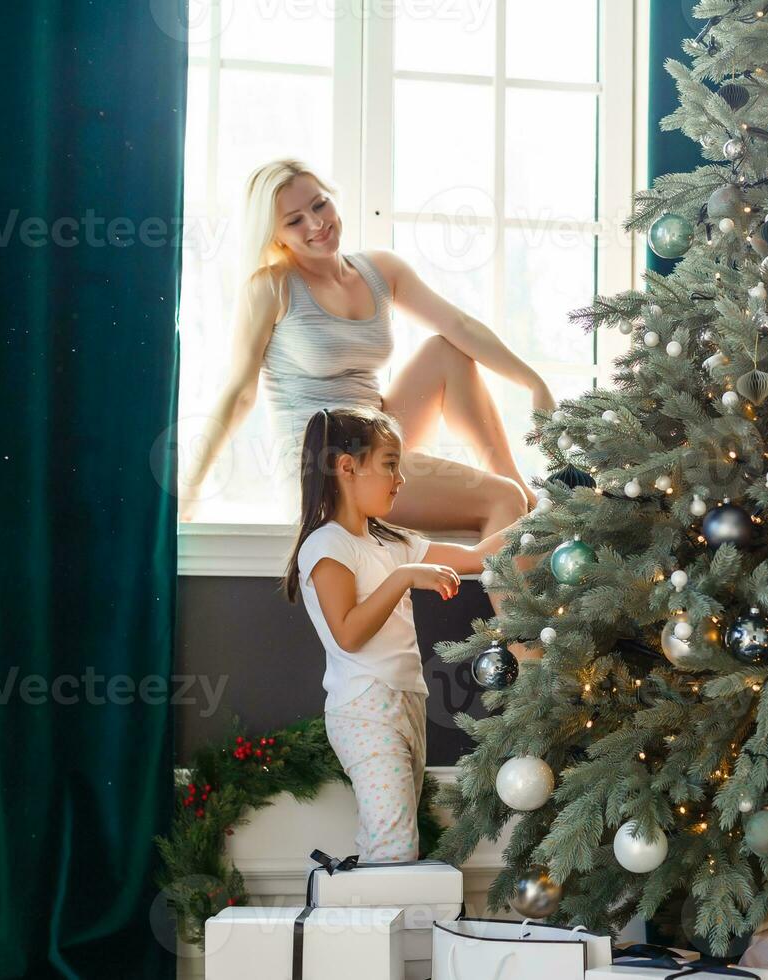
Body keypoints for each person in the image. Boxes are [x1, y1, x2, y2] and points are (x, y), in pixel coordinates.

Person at [183, 159, 551, 658]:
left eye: (320, 204)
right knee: (499, 500)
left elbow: (461, 325)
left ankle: (515, 486)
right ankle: (531, 664)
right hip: (328, 463)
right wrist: (192, 488)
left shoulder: (381, 271)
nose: (316, 223)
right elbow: (240, 393)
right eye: (295, 220)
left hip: (377, 436)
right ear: (275, 235)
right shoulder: (271, 288)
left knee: (446, 349)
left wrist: (533, 381)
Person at [284, 405, 519, 861]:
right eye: (390, 464)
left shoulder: (392, 541)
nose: (401, 478)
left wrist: (546, 519)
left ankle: (365, 926)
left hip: (407, 701)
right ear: (346, 467)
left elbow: (479, 557)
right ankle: (376, 929)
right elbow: (348, 634)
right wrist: (404, 577)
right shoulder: (326, 545)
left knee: (386, 843)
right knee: (395, 846)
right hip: (365, 709)